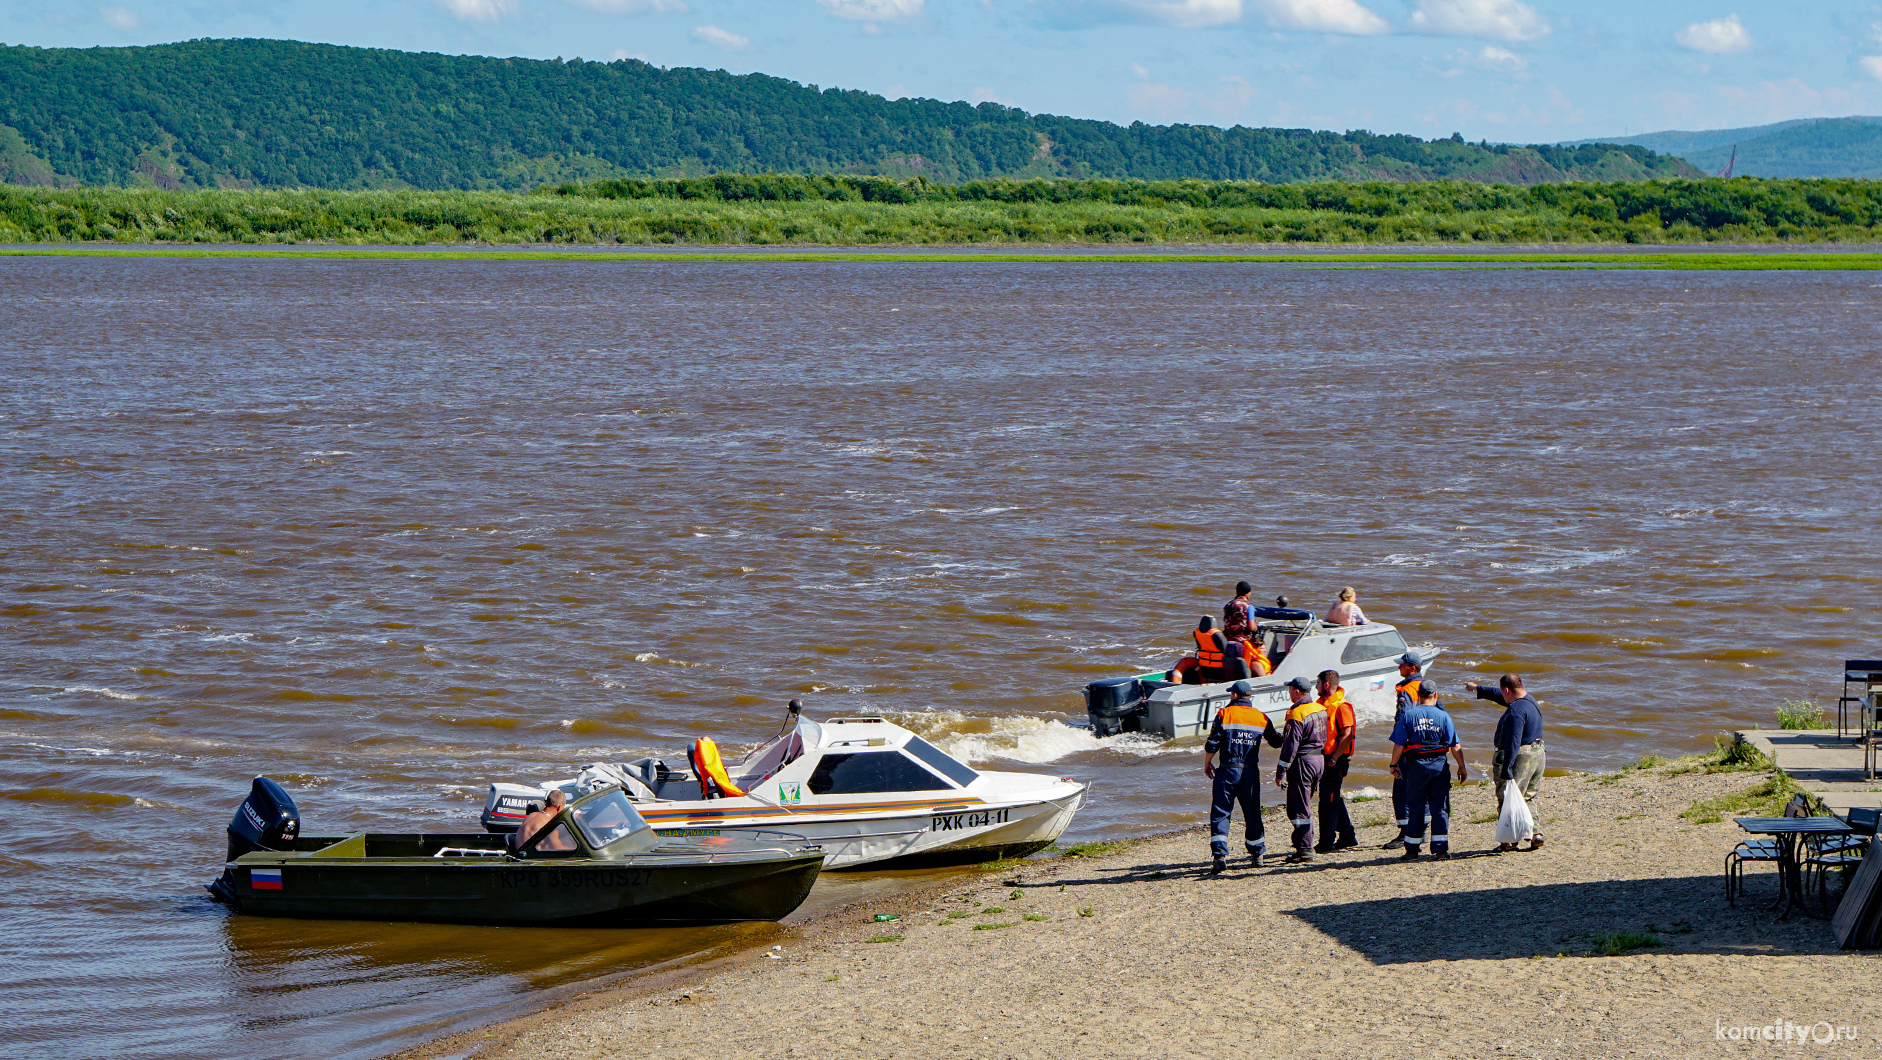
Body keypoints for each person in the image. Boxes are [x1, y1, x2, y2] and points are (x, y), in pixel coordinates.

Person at [1201, 679, 1282, 873]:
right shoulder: (1260, 717)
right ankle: (1257, 855)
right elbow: (1276, 742)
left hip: (1227, 770)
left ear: (1235, 695)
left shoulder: (1224, 713)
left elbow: (1213, 742)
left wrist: (1207, 762)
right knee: (1252, 812)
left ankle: (1220, 857)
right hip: (1250, 771)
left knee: (1221, 812)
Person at [1465, 673, 1546, 852]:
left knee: (1507, 796)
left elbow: (1513, 741)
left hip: (1521, 757)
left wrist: (1507, 767)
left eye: (1503, 692)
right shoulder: (1529, 701)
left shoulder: (1516, 711)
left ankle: (1508, 842)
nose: (1501, 696)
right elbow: (1498, 694)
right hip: (1538, 753)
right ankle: (1535, 834)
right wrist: (1478, 688)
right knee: (1527, 795)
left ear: (1507, 690)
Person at [1388, 684, 1469, 860]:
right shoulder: (1443, 716)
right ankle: (1440, 850)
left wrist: (1393, 764)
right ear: (1435, 695)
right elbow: (1455, 746)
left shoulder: (1409, 715)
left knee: (1416, 805)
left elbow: (1399, 744)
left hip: (1416, 766)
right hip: (1439, 765)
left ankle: (1412, 849)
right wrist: (1462, 766)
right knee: (1440, 806)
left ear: (1418, 694)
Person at [1274, 675, 1327, 862]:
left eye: (1289, 689)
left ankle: (1305, 848)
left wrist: (1280, 772)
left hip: (1303, 761)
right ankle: (1301, 842)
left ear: (1296, 691)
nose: (1288, 692)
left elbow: (1290, 746)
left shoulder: (1297, 713)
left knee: (1299, 807)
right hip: (1319, 760)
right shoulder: (1320, 709)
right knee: (1304, 803)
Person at [1383, 653, 1428, 850]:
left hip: (1409, 748)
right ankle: (1423, 830)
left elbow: (1404, 721)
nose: (1399, 668)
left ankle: (1405, 832)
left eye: (1402, 665)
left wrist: (1397, 751)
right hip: (1427, 746)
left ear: (1412, 668)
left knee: (1401, 790)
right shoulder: (1428, 688)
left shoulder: (1407, 691)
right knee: (1422, 789)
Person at [1315, 669, 1358, 853]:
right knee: (1331, 797)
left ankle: (1326, 842)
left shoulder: (1342, 706)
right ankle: (1347, 835)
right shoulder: (1322, 704)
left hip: (1336, 760)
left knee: (1328, 801)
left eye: (1317, 683)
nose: (1315, 687)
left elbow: (1348, 735)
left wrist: (1334, 757)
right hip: (1326, 758)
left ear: (1326, 685)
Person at [1190, 616, 1229, 683]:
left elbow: (1199, 646)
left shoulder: (1196, 633)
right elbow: (1227, 650)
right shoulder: (1217, 634)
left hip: (1204, 666)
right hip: (1219, 667)